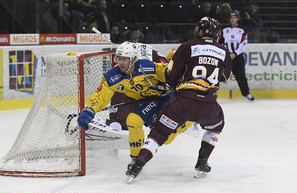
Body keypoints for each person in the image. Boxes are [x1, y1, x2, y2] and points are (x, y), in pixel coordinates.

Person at [126, 17, 232, 180]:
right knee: (216, 127)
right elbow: (224, 76)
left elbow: (171, 77)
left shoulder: (188, 46)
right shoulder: (224, 51)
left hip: (183, 104)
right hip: (209, 106)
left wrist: (177, 75)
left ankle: (137, 165)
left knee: (159, 133)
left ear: (201, 32)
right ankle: (202, 162)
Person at [77, 41, 192, 174]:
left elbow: (168, 73)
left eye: (125, 59)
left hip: (164, 98)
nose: (121, 62)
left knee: (167, 139)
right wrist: (89, 110)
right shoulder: (113, 76)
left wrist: (179, 84)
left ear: (134, 59)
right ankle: (135, 159)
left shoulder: (147, 68)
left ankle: (190, 120)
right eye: (119, 58)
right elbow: (101, 95)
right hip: (148, 101)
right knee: (132, 121)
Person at [218, 10, 255, 101]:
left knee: (241, 76)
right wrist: (226, 53)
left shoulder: (242, 30)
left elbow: (243, 43)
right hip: (226, 57)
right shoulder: (224, 30)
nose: (233, 19)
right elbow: (219, 42)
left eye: (235, 18)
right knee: (218, 75)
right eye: (231, 18)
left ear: (238, 19)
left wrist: (235, 53)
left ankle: (246, 93)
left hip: (237, 57)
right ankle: (212, 93)